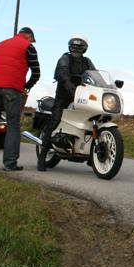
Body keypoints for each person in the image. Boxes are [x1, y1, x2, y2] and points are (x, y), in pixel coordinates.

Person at [0, 26, 40, 171]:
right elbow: (36, 73)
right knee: (13, 125)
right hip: (12, 89)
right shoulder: (28, 47)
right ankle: (10, 164)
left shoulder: (0, 44)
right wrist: (26, 86)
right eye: (32, 40)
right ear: (29, 37)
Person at [38, 35, 95, 171]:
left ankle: (92, 155)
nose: (75, 49)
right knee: (55, 120)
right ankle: (42, 157)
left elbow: (94, 74)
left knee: (91, 121)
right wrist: (68, 84)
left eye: (79, 47)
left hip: (81, 97)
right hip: (64, 96)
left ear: (84, 49)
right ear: (69, 47)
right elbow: (62, 72)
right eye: (73, 47)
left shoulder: (87, 62)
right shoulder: (65, 58)